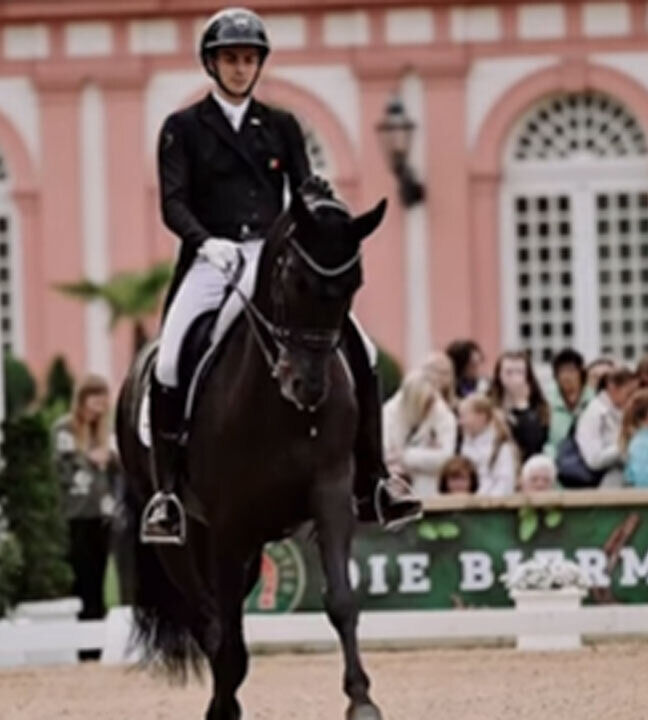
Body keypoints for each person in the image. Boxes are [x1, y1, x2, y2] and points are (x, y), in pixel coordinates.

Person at [142, 7, 420, 543]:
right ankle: (168, 494)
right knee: (172, 357)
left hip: (273, 260)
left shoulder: (282, 126)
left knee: (359, 351)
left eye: (249, 59)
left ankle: (379, 481)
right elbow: (172, 203)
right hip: (212, 257)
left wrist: (325, 210)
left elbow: (303, 191)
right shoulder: (182, 129)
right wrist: (206, 243)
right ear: (212, 64)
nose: (241, 68)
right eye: (230, 59)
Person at [53, 375, 119, 654]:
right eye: (95, 400)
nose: (99, 407)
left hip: (100, 514)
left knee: (99, 576)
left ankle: (97, 642)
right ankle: (82, 642)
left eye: (103, 401)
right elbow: (61, 468)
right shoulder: (65, 429)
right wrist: (89, 459)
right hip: (75, 514)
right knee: (80, 575)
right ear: (82, 400)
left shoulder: (102, 433)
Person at [382, 371, 457, 499]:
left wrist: (405, 456)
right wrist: (426, 454)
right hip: (396, 486)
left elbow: (445, 458)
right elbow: (385, 454)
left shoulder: (443, 416)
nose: (430, 405)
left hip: (430, 487)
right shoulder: (389, 413)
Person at [575, 367, 638, 489]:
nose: (633, 399)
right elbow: (594, 459)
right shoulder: (594, 413)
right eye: (629, 394)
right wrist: (623, 445)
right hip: (604, 483)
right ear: (612, 388)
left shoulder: (627, 412)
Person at [489, 350, 550, 462]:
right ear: (499, 375)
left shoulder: (540, 407)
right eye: (509, 372)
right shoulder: (488, 404)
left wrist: (522, 406)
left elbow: (534, 446)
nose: (514, 377)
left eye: (519, 372)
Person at [457, 395, 518, 496]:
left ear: (481, 417)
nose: (460, 422)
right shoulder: (465, 446)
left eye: (464, 416)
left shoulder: (501, 448)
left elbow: (505, 484)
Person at [544, 348, 591, 456]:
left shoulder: (593, 399)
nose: (566, 376)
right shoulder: (547, 399)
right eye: (562, 371)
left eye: (571, 370)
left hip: (587, 456)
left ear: (581, 372)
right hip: (554, 455)